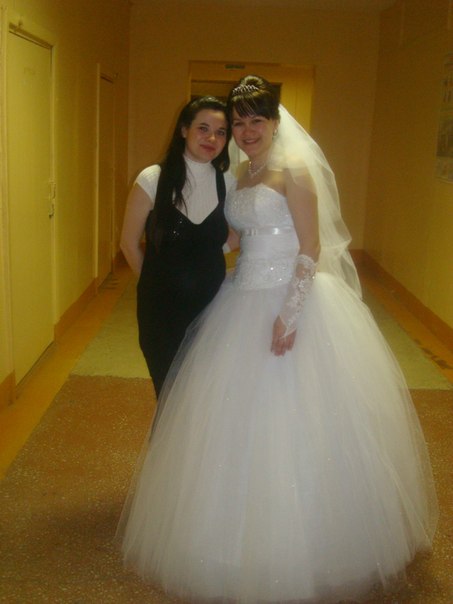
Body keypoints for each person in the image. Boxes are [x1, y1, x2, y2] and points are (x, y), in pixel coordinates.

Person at [117, 76, 438, 603]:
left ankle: (312, 542)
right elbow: (232, 237)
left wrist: (290, 313)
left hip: (290, 300)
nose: (245, 132)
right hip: (241, 296)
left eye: (255, 121)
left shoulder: (295, 171)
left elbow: (311, 245)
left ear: (274, 123)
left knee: (297, 416)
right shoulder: (239, 175)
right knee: (228, 417)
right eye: (237, 123)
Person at [120, 96, 235, 397]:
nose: (212, 138)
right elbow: (128, 243)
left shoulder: (227, 181)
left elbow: (237, 234)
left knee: (201, 394)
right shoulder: (153, 179)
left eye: (221, 132)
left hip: (210, 308)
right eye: (203, 128)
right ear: (184, 130)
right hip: (161, 310)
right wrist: (156, 282)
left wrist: (211, 257)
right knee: (169, 391)